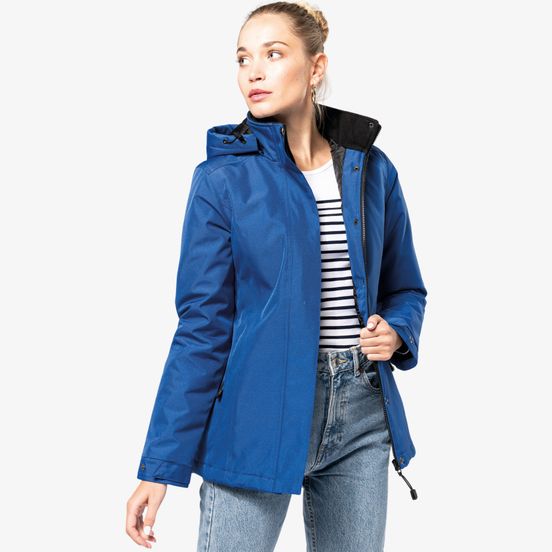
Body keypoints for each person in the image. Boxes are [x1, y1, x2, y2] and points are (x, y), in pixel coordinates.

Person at [125, 1, 428, 550]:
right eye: (243, 58)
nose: (254, 72)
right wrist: (159, 466)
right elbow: (202, 326)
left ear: (316, 67)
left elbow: (405, 286)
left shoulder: (371, 169)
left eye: (273, 54)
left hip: (362, 411)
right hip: (255, 414)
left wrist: (398, 330)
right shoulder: (222, 180)